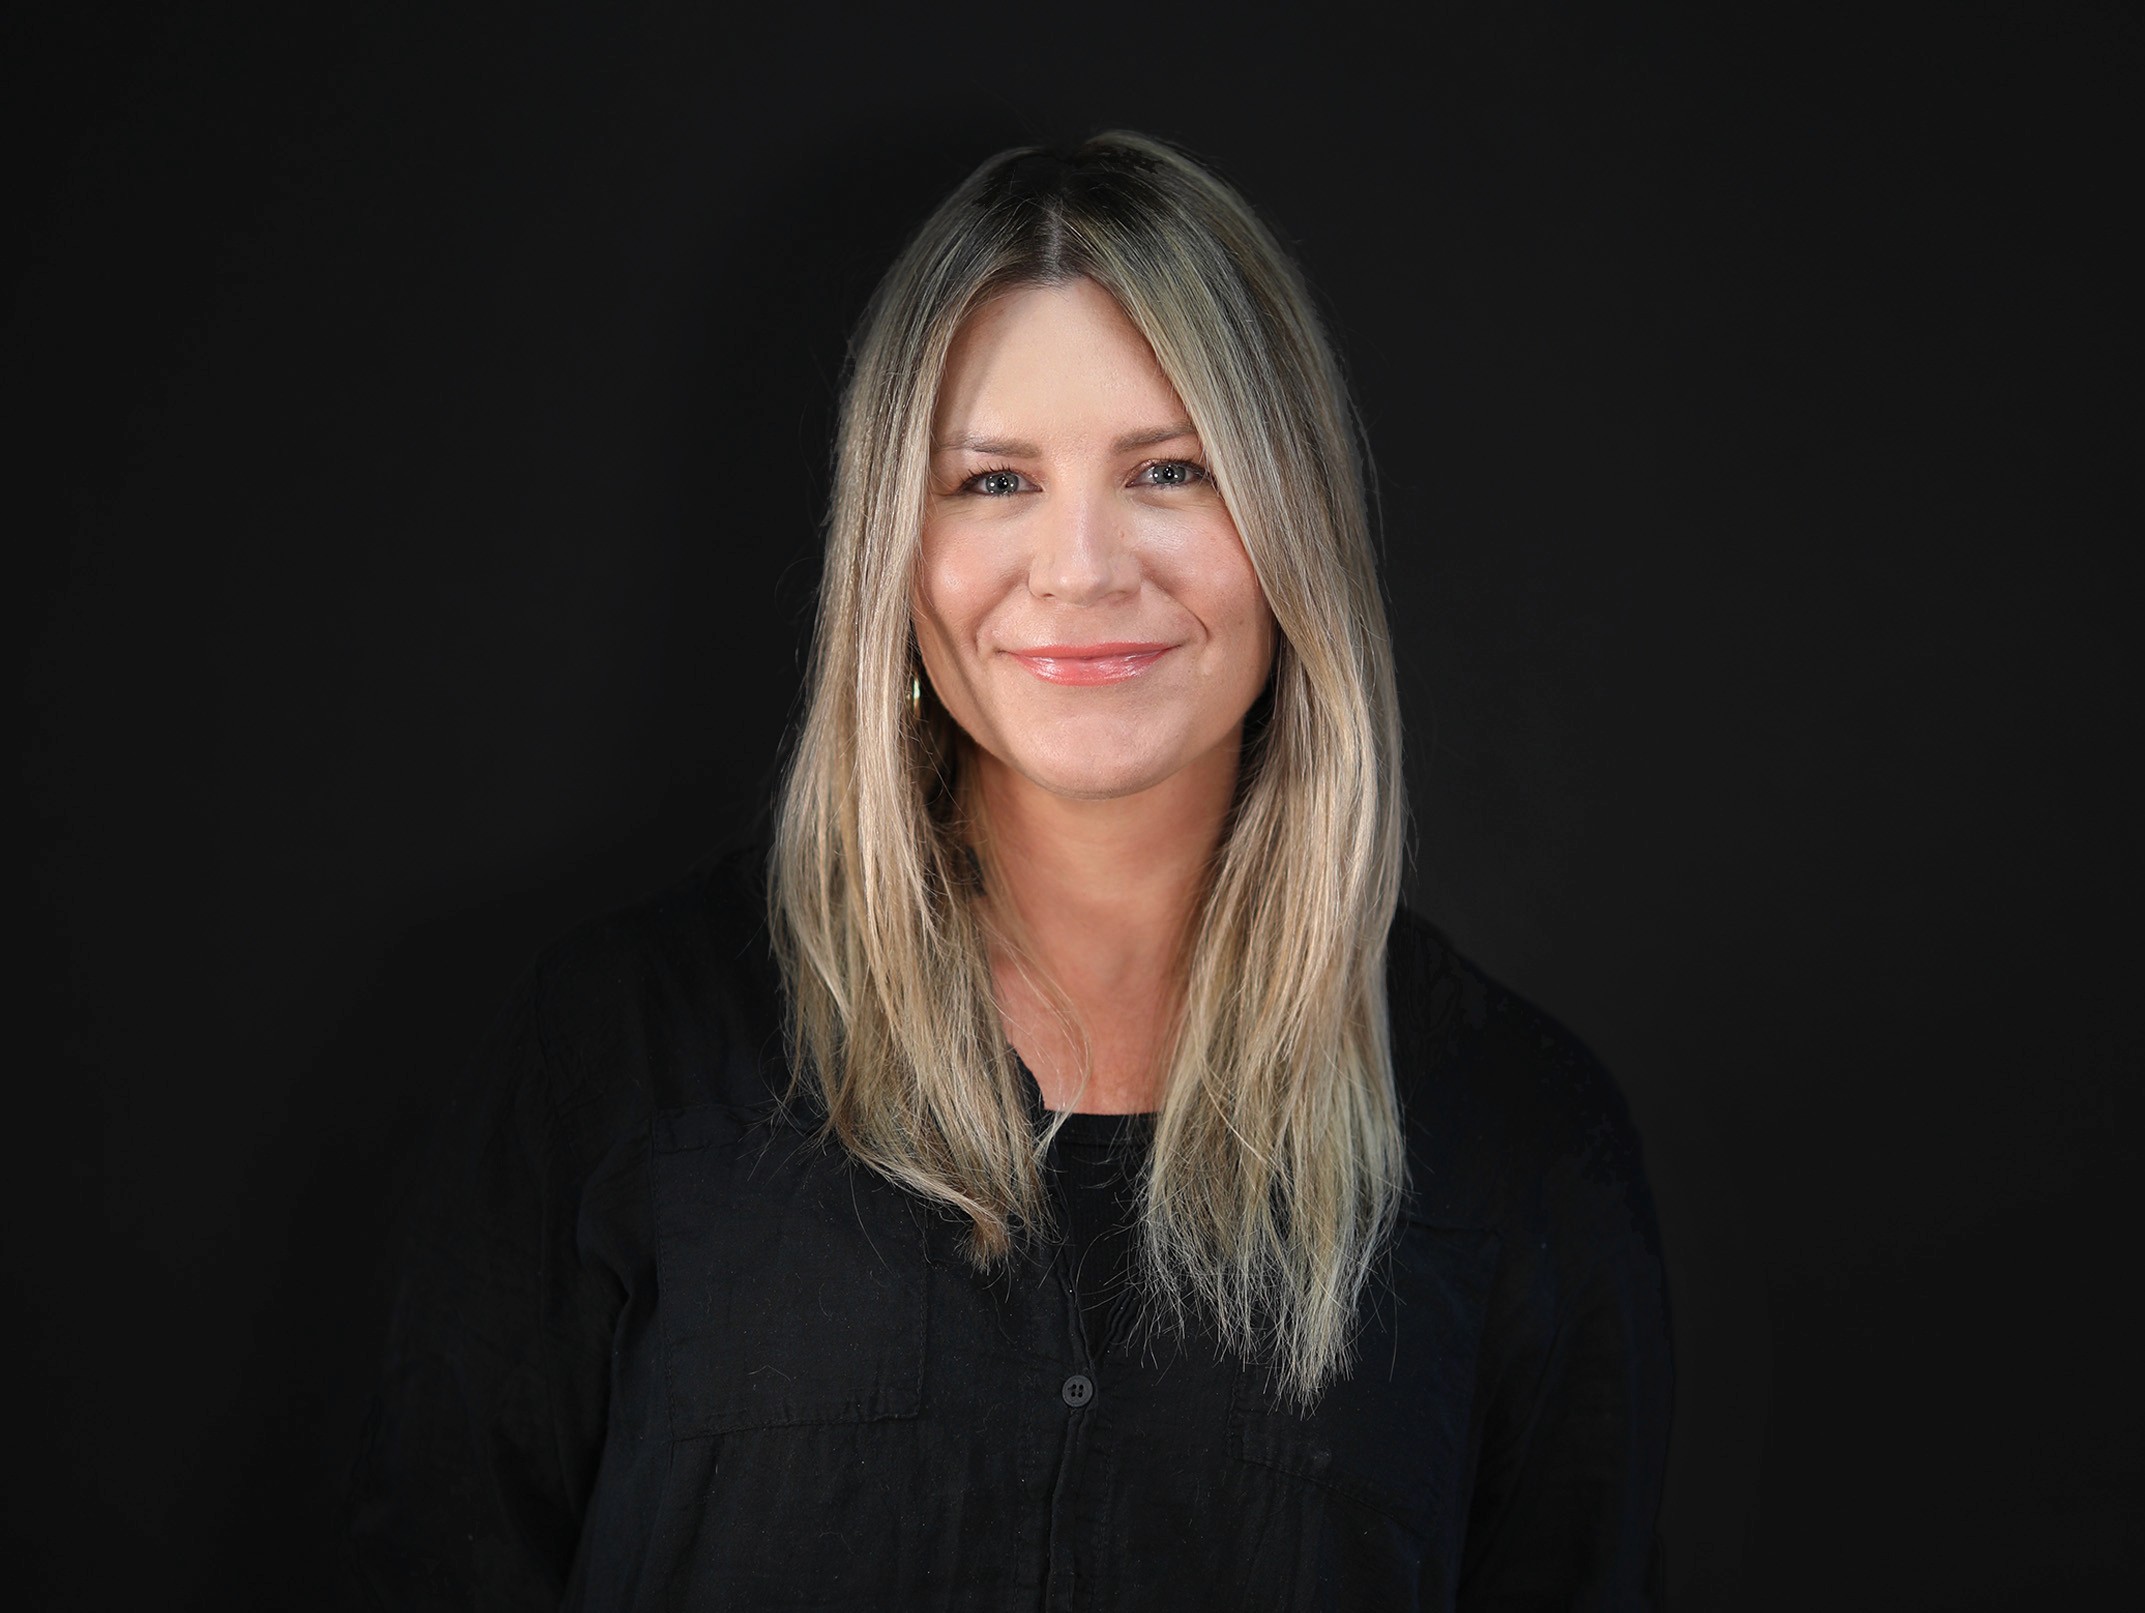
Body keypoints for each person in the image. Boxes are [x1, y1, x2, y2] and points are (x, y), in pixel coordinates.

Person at [349, 131, 1672, 1610]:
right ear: (893, 547)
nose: (1081, 566)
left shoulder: (1519, 1138)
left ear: (1293, 526)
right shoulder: (615, 1058)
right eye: (992, 480)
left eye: (1171, 469)